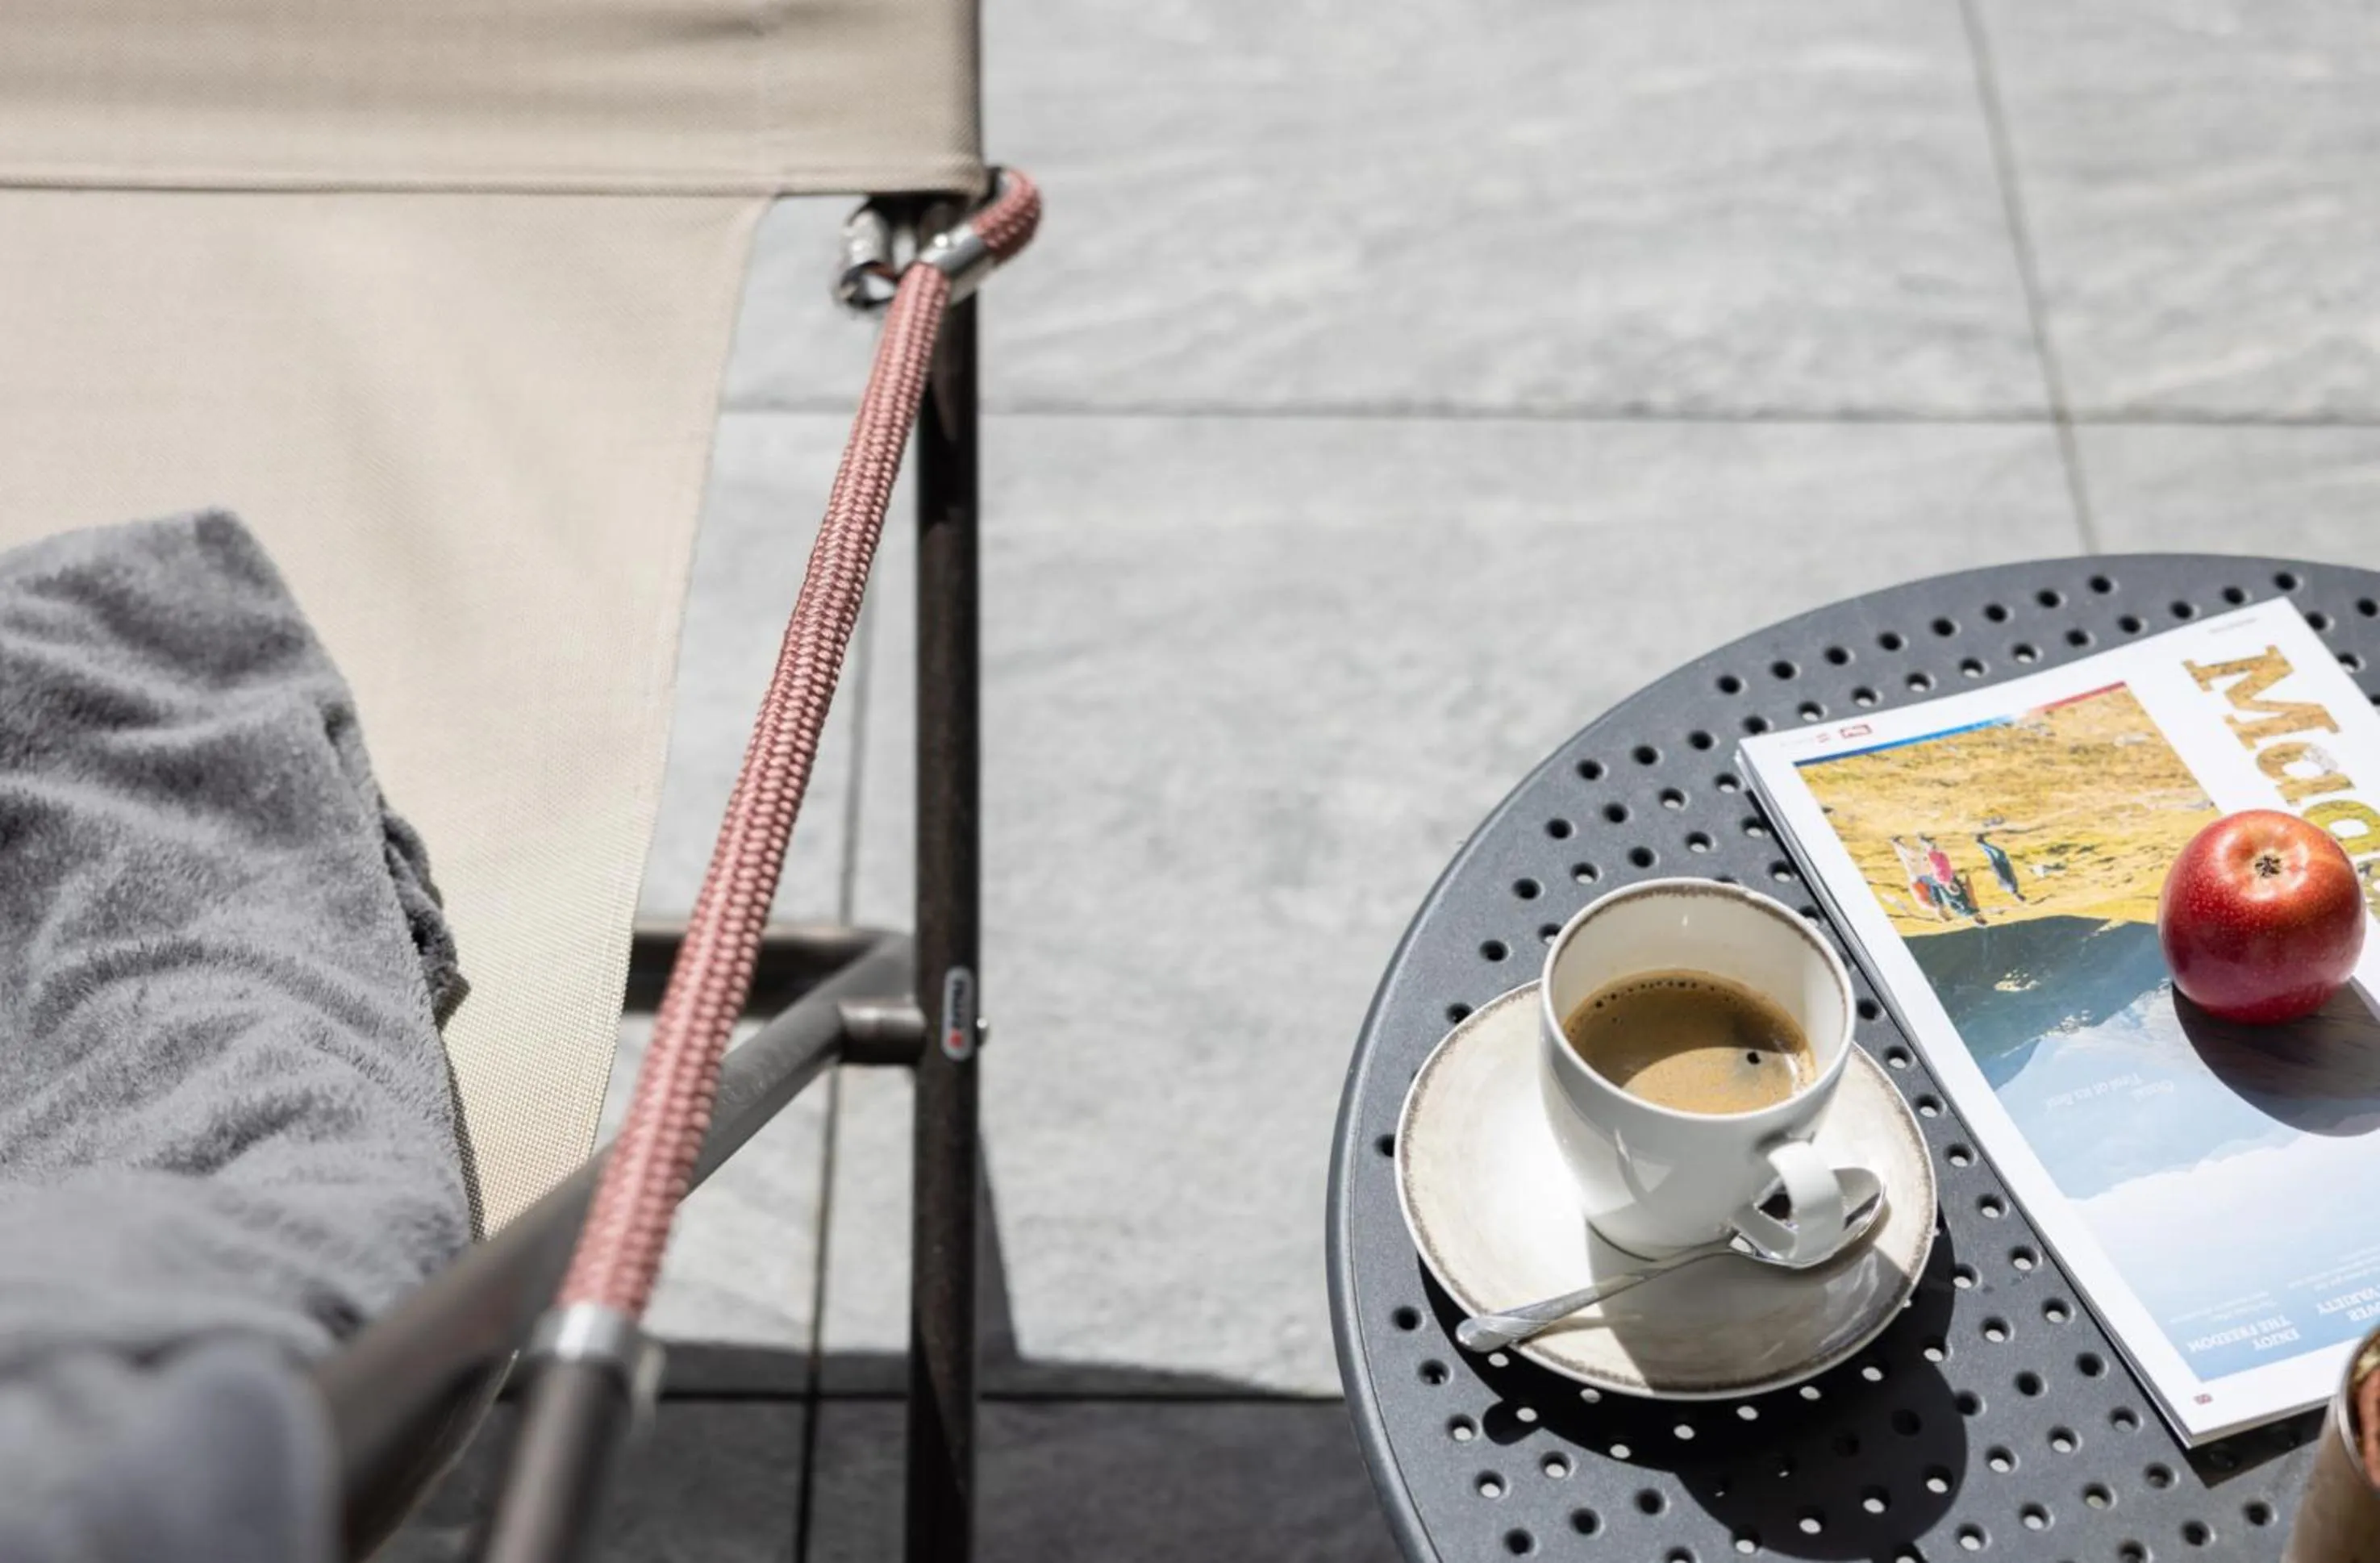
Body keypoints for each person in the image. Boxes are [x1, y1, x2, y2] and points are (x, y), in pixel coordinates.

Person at [1889, 836, 1944, 920]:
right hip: (1919, 879)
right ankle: (1898, 843)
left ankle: (1897, 843)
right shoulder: (1932, 905)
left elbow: (1919, 891)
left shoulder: (1929, 905)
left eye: (1944, 913)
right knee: (1910, 860)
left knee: (1910, 859)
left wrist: (1924, 881)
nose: (1946, 911)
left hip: (1918, 879)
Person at [1976, 832, 2026, 902]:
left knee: (2000, 852)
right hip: (1996, 868)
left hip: (2002, 866)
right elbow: (1999, 880)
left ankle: (1982, 843)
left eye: (2020, 896)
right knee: (1990, 855)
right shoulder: (2007, 889)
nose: (2019, 895)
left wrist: (2002, 866)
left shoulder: (2012, 886)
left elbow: (2005, 875)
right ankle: (1981, 842)